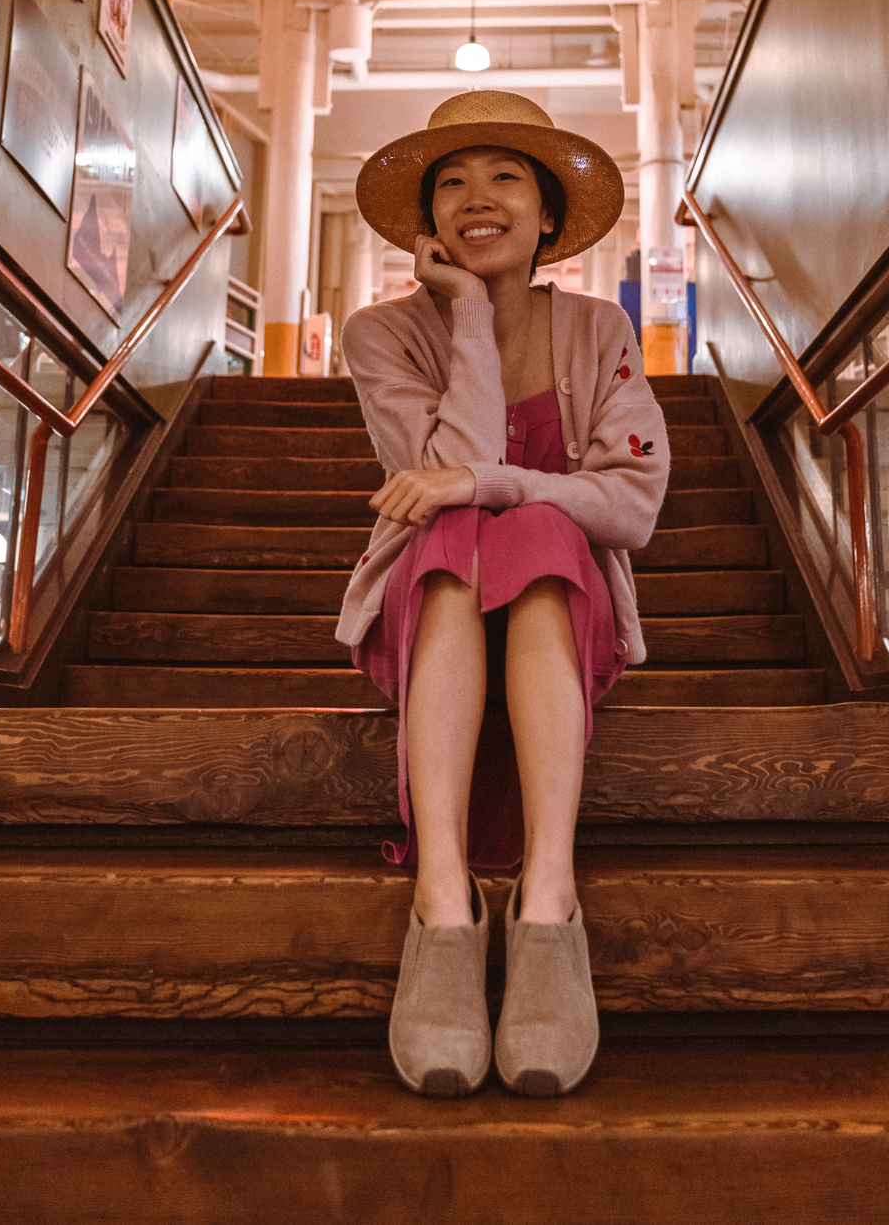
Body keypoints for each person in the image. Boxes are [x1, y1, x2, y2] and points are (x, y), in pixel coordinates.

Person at [339, 91, 669, 1100]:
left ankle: (547, 901)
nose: (476, 199)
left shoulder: (600, 328)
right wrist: (472, 318)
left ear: (548, 215)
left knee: (532, 525)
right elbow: (443, 468)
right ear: (430, 221)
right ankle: (443, 902)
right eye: (451, 184)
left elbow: (632, 501)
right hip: (427, 600)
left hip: (559, 604)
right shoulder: (380, 336)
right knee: (450, 527)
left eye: (504, 177)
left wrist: (507, 489)